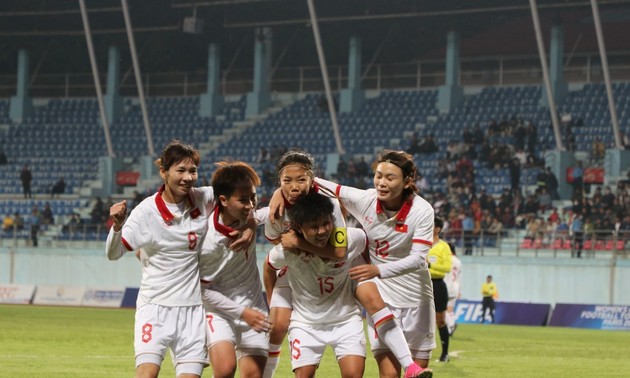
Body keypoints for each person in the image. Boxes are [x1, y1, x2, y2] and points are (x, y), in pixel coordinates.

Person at [265, 150, 428, 378]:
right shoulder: (274, 210)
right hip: (298, 269)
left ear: (311, 178)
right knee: (277, 326)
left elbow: (341, 250)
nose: (294, 187)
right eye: (287, 181)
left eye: (301, 180)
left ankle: (409, 365)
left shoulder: (331, 204)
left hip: (341, 266)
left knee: (373, 300)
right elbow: (270, 247)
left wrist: (300, 243)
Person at [105, 140, 254, 378]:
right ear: (164, 172)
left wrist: (251, 226)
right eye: (180, 170)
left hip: (193, 311)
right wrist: (118, 225)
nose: (188, 177)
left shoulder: (204, 198)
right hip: (155, 307)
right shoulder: (146, 212)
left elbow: (241, 199)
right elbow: (113, 254)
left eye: (192, 170)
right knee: (147, 374)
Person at [266, 191, 368, 378]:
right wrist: (272, 299)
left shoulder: (351, 239)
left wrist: (365, 277)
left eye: (326, 223)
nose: (321, 231)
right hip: (306, 323)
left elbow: (367, 246)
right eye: (314, 227)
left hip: (345, 320)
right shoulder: (286, 251)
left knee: (354, 374)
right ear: (298, 227)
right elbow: (269, 265)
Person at [198, 161, 270, 378]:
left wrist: (250, 224)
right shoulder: (206, 239)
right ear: (223, 200)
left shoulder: (250, 217)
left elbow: (278, 203)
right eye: (243, 200)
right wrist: (241, 313)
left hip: (254, 308)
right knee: (225, 370)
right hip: (220, 312)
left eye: (253, 198)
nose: (250, 205)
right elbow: (202, 291)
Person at [426, 216, 452, 363]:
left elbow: (447, 268)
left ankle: (445, 354)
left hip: (437, 284)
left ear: (437, 229)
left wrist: (430, 266)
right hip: (421, 283)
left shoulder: (444, 247)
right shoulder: (422, 243)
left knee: (440, 320)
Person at [443, 243, 462, 337]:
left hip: (446, 285)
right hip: (455, 287)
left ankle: (451, 324)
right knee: (450, 309)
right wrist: (459, 291)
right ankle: (451, 326)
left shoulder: (447, 259)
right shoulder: (458, 261)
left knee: (439, 308)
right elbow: (459, 277)